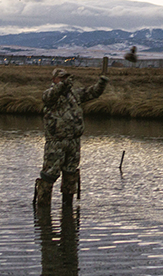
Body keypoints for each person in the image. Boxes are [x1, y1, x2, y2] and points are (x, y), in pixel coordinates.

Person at [34, 68, 108, 208]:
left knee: (70, 174)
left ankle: (67, 208)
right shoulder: (50, 95)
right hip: (56, 142)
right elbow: (51, 95)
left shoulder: (75, 94)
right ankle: (42, 209)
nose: (64, 80)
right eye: (61, 78)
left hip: (74, 141)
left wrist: (102, 82)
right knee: (49, 175)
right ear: (54, 80)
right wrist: (63, 85)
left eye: (66, 78)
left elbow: (93, 92)